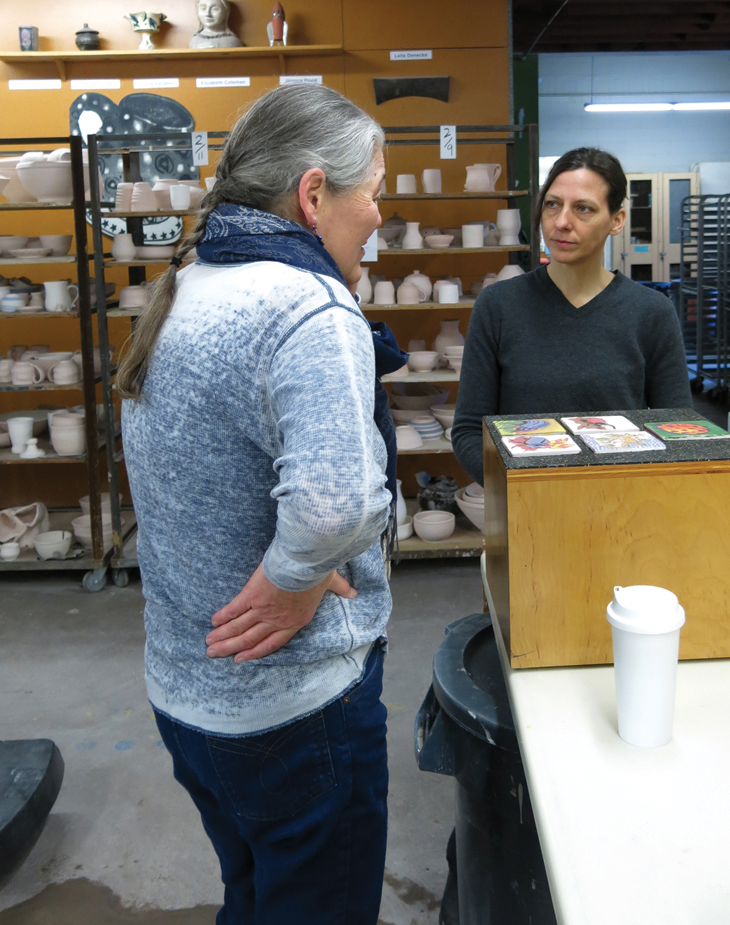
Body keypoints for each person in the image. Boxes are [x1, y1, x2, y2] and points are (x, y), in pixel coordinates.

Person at [117, 83, 406, 925]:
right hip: (293, 708)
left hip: (189, 696)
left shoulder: (189, 286)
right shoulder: (304, 308)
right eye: (375, 192)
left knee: (253, 899)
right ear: (315, 195)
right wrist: (296, 576)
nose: (380, 215)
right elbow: (336, 508)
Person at [452, 147, 692, 485]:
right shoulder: (498, 306)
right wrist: (518, 491)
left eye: (583, 209)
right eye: (552, 204)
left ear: (616, 221)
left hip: (622, 511)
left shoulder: (651, 312)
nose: (561, 222)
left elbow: (678, 431)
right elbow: (467, 431)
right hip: (526, 514)